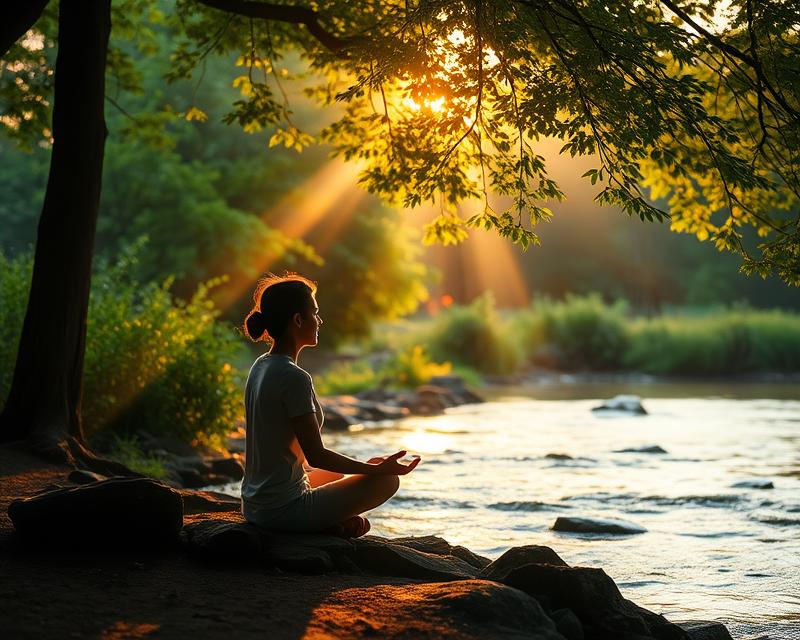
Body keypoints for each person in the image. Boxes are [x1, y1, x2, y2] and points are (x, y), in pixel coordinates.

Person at [240, 274, 420, 537]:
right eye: (315, 312)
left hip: (254, 503)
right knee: (386, 480)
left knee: (350, 473)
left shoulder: (261, 365)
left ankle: (332, 523)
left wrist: (366, 467)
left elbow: (295, 455)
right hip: (281, 511)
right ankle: (322, 526)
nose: (320, 320)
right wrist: (374, 471)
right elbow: (317, 455)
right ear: (298, 320)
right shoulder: (294, 377)